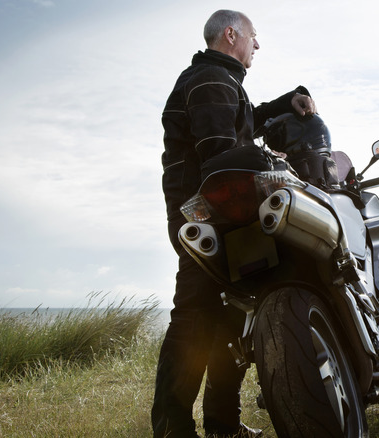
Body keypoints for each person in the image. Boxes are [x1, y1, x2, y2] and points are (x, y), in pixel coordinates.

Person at [152, 10, 317, 438]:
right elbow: (222, 157)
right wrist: (273, 164)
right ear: (231, 35)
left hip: (215, 215)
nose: (257, 45)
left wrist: (286, 102)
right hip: (204, 218)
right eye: (253, 37)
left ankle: (223, 427)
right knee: (194, 318)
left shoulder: (219, 82)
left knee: (229, 321)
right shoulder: (209, 81)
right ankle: (173, 429)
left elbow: (240, 128)